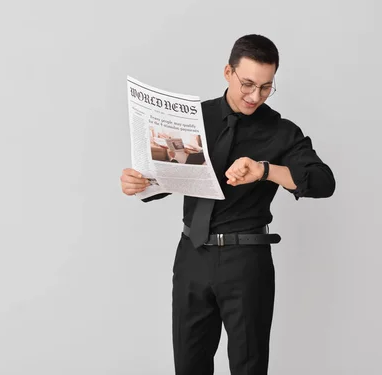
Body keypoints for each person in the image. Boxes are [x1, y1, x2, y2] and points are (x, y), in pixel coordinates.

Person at [119, 34, 335, 375]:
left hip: (246, 262)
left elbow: (323, 183)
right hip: (191, 255)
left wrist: (265, 170)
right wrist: (139, 182)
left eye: (266, 87)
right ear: (227, 72)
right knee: (189, 365)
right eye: (248, 84)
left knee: (248, 367)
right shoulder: (194, 120)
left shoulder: (280, 132)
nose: (255, 96)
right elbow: (168, 176)